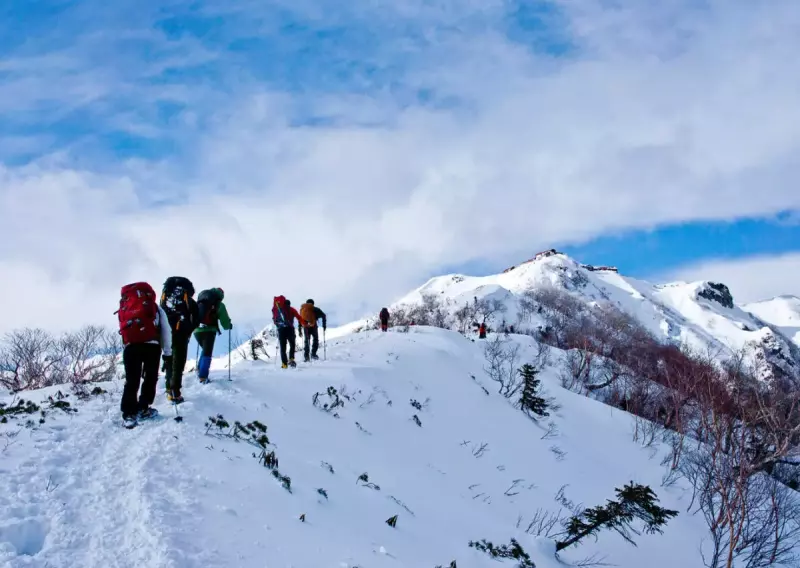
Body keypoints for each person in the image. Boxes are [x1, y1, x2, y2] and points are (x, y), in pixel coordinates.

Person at [116, 282, 172, 428]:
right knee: (150, 377)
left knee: (131, 380)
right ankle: (143, 407)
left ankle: (129, 413)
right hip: (151, 346)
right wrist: (167, 352)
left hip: (131, 346)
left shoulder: (125, 307)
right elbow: (166, 330)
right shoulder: (156, 308)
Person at [159, 276, 199, 403]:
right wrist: (188, 330)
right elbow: (196, 318)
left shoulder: (165, 299)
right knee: (178, 363)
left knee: (169, 360)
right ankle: (175, 391)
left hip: (166, 334)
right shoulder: (188, 300)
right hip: (181, 334)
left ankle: (168, 388)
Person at [193, 287, 232, 383]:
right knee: (207, 353)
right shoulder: (219, 304)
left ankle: (199, 369)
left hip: (196, 330)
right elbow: (225, 322)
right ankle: (203, 377)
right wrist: (229, 325)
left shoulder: (201, 301)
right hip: (209, 330)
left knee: (205, 350)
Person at [272, 296, 306, 368]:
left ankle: (284, 364)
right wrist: (305, 324)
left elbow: (275, 321)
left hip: (281, 330)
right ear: (289, 304)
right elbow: (299, 317)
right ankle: (291, 359)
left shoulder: (277, 310)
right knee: (292, 345)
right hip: (290, 329)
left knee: (283, 347)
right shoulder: (292, 309)